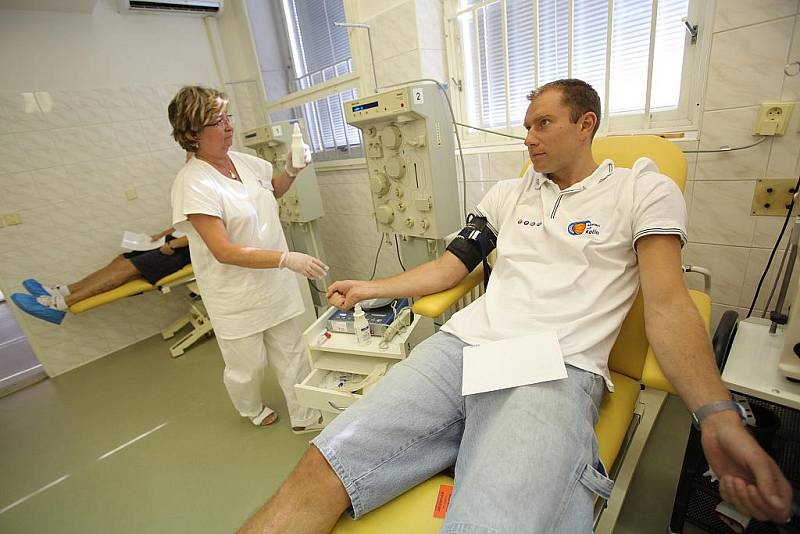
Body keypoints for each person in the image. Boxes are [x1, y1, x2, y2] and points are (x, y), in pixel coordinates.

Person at [239, 79, 793, 533]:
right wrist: (372, 287)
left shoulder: (640, 190)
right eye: (526, 126)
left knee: (491, 524)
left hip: (554, 368)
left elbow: (669, 305)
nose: (529, 138)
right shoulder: (508, 195)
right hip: (462, 352)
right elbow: (452, 266)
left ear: (586, 124)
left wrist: (716, 412)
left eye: (543, 124)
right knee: (320, 469)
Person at [168, 86, 326, 432]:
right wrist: (285, 258)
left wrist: (292, 170)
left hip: (274, 282)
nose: (228, 127)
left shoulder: (242, 161)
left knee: (292, 351)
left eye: (228, 118)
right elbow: (223, 251)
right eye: (217, 121)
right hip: (234, 293)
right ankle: (250, 407)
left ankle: (304, 414)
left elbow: (274, 190)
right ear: (193, 134)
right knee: (248, 366)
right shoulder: (193, 182)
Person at [11, 227, 190, 325]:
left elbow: (208, 230)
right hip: (172, 240)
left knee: (128, 268)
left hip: (183, 250)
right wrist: (165, 234)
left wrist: (174, 244)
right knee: (121, 260)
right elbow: (188, 221)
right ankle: (63, 291)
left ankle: (62, 304)